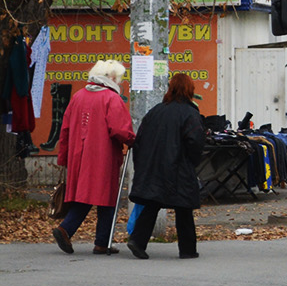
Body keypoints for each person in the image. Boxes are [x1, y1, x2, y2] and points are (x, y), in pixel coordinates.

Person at [53, 59, 135, 255]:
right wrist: (133, 139)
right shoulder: (111, 98)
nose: (121, 83)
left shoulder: (78, 96)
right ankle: (71, 230)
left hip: (78, 156)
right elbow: (119, 129)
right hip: (102, 156)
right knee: (105, 197)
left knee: (87, 195)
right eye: (120, 78)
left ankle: (99, 240)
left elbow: (64, 129)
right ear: (112, 78)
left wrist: (63, 157)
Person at [125, 72, 206, 260]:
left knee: (153, 203)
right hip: (179, 167)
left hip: (154, 166)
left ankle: (137, 240)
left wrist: (143, 164)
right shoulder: (190, 113)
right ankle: (187, 250)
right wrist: (191, 162)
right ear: (189, 90)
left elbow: (140, 139)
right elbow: (195, 142)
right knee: (183, 208)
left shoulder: (155, 111)